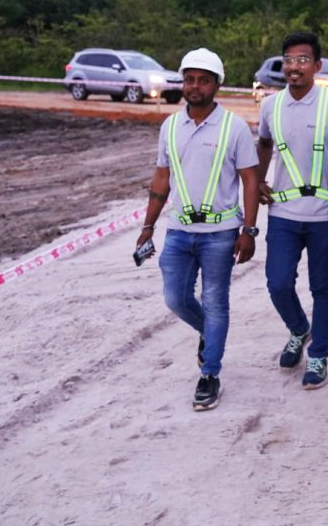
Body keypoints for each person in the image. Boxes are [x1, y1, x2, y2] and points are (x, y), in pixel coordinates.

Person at [137, 48, 259, 412]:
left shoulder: (233, 127)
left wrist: (248, 230)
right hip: (179, 230)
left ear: (216, 84)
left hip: (221, 232)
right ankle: (210, 333)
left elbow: (250, 180)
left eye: (203, 80)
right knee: (175, 298)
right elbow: (162, 176)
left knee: (216, 301)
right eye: (189, 79)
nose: (195, 86)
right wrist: (148, 225)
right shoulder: (170, 126)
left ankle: (210, 374)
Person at [255, 32, 328, 389]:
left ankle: (319, 354)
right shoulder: (270, 105)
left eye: (303, 60)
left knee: (322, 287)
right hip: (284, 213)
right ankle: (299, 329)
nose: (294, 67)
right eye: (289, 61)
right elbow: (263, 142)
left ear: (317, 66)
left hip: (325, 215)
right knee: (278, 283)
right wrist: (260, 179)